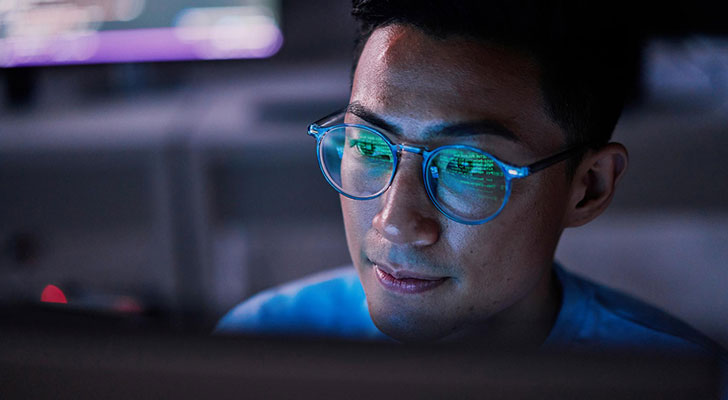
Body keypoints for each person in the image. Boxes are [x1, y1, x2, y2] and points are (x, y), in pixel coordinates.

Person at [216, 0, 725, 358]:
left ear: (589, 186)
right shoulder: (256, 348)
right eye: (369, 145)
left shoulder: (676, 381)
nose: (395, 223)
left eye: (467, 165)